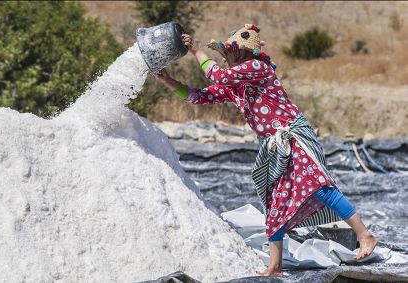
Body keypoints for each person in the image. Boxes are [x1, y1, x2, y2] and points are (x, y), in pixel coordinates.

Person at [153, 24, 379, 277]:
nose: (224, 57)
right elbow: (200, 96)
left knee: (319, 186)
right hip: (273, 145)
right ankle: (276, 267)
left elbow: (217, 76)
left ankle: (365, 235)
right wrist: (168, 81)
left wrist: (196, 51)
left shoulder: (257, 68)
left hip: (292, 136)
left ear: (241, 53)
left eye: (227, 52)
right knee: (275, 204)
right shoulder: (237, 83)